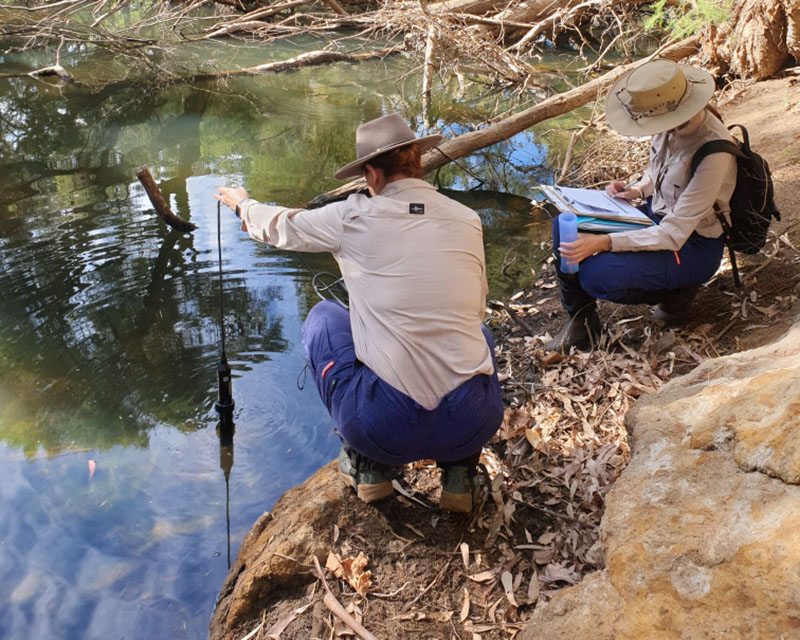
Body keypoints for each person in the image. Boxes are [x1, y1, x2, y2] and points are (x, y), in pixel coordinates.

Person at [215, 113, 503, 512]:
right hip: (472, 421)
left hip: (387, 427)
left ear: (372, 173)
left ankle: (369, 466)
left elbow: (280, 226)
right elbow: (477, 300)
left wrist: (243, 204)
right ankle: (460, 473)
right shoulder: (468, 219)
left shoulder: (351, 216)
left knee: (324, 319)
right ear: (417, 162)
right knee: (480, 334)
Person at [546, 59, 738, 352]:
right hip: (655, 217)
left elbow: (673, 234)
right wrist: (635, 189)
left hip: (691, 244)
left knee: (596, 276)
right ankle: (582, 323)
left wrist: (603, 243)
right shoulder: (665, 123)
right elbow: (657, 170)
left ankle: (678, 293)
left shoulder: (714, 152)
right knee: (564, 225)